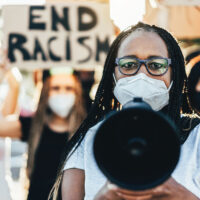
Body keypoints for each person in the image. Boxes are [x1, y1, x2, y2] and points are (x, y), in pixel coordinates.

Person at [51, 22, 200, 200]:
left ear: (174, 73)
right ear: (112, 75)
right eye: (128, 65)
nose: (141, 74)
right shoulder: (88, 141)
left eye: (156, 65)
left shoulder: (196, 138)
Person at [0, 67, 86, 200]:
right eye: (56, 88)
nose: (62, 93)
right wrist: (10, 80)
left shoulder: (87, 130)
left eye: (69, 89)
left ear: (77, 93)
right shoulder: (32, 125)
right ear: (46, 92)